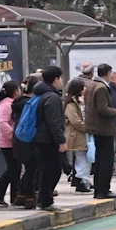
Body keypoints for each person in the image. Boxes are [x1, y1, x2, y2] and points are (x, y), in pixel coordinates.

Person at [84, 63, 116, 199]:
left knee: (100, 159)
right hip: (103, 128)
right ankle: (103, 190)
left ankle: (99, 190)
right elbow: (102, 109)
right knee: (106, 160)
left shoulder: (91, 85)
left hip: (96, 127)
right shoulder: (101, 87)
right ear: (108, 73)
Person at [32, 66, 67, 211]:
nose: (62, 81)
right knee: (52, 171)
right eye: (61, 78)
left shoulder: (41, 93)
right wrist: (61, 141)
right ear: (56, 79)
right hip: (48, 139)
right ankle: (45, 201)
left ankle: (43, 200)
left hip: (40, 137)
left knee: (46, 170)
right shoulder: (52, 97)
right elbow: (54, 122)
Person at [0, 81, 21, 206]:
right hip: (7, 142)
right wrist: (12, 135)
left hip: (11, 142)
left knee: (15, 169)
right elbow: (1, 122)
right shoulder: (7, 105)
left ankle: (15, 196)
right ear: (15, 91)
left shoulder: (10, 103)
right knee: (13, 169)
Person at [12, 76, 40, 209]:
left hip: (18, 137)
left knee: (28, 168)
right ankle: (29, 197)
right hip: (29, 139)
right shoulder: (31, 103)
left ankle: (21, 195)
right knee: (32, 169)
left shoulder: (17, 102)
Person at [64, 78, 92, 193]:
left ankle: (85, 180)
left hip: (85, 134)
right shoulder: (70, 104)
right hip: (77, 135)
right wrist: (87, 128)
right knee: (81, 159)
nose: (85, 89)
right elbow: (75, 121)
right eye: (83, 87)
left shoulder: (81, 101)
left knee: (88, 158)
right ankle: (81, 181)